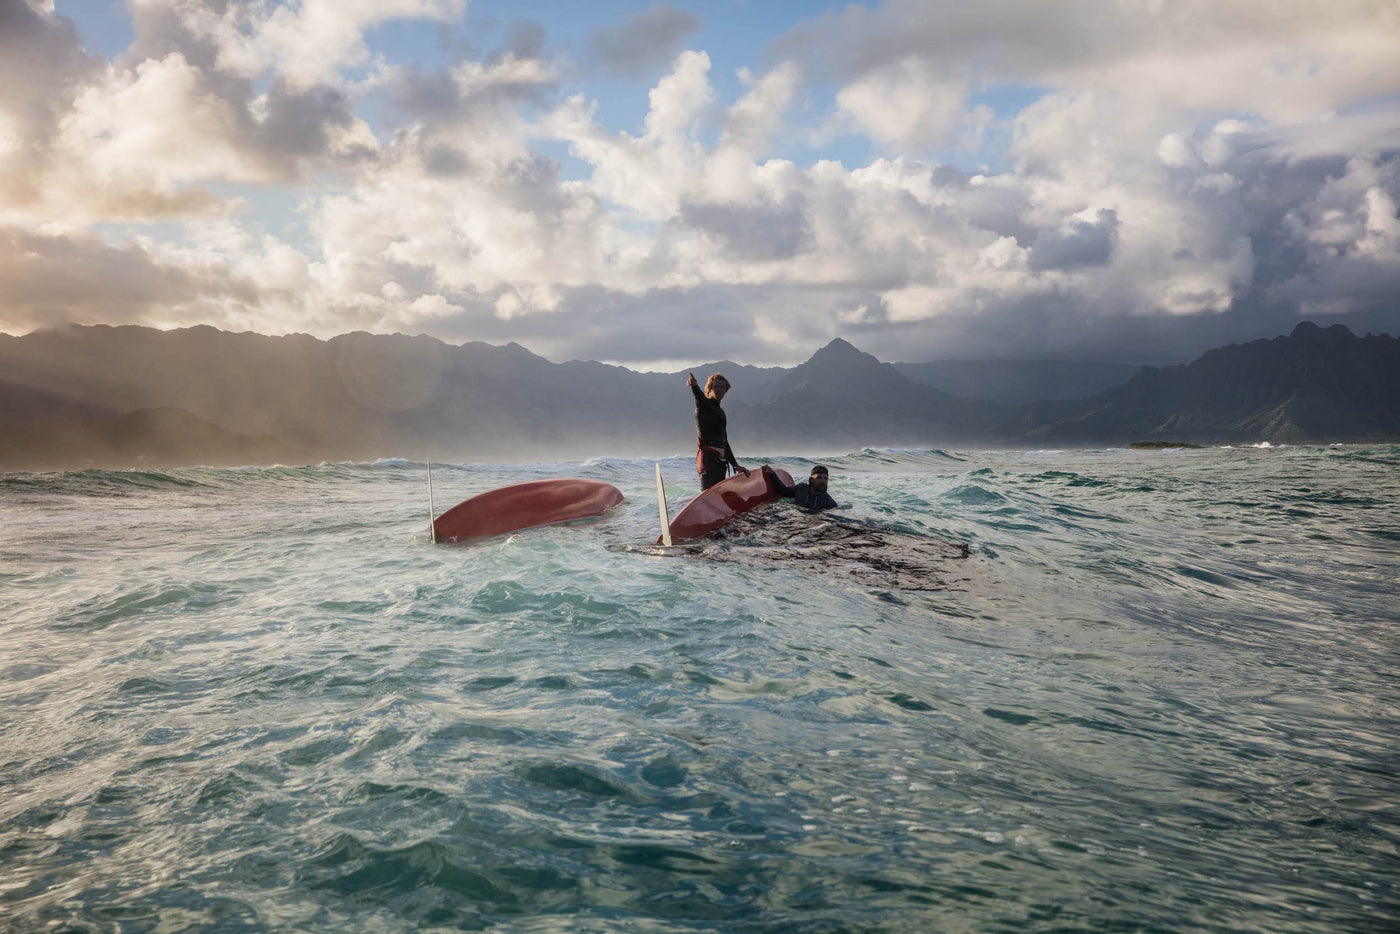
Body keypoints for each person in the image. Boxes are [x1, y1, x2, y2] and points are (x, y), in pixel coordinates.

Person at [688, 371, 748, 490]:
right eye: (716, 386)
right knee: (708, 494)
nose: (719, 389)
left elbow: (724, 442)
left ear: (726, 389)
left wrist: (735, 465)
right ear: (709, 388)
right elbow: (699, 397)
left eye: (722, 387)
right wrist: (694, 386)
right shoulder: (704, 405)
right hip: (708, 460)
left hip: (720, 463)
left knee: (717, 496)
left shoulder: (721, 412)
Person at [765, 464, 839, 511]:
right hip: (794, 516)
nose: (823, 481)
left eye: (825, 478)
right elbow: (783, 491)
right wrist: (772, 474)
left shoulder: (830, 503)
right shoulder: (801, 488)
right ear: (811, 480)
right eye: (819, 478)